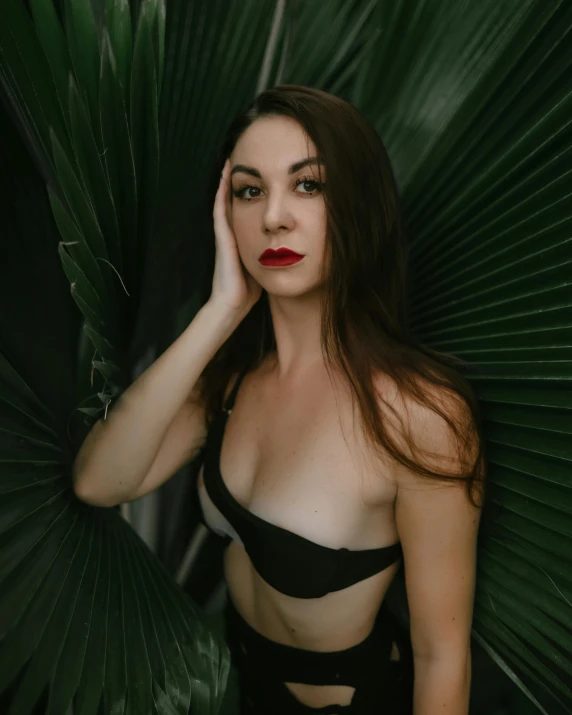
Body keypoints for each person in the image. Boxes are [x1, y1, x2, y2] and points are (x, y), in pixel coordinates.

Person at [72, 85, 486, 715]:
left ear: (358, 205)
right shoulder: (231, 381)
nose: (273, 218)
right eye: (249, 190)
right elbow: (99, 482)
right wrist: (221, 311)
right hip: (237, 689)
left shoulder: (420, 415)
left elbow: (442, 657)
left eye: (309, 186)